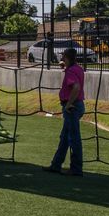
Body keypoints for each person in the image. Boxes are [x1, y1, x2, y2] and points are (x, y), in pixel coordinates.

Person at [46, 47, 85, 176]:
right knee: (65, 137)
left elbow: (76, 87)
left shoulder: (70, 72)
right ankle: (56, 165)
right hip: (77, 106)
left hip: (72, 107)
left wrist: (68, 104)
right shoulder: (78, 69)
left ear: (67, 58)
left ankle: (76, 168)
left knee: (73, 138)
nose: (62, 59)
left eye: (63, 57)